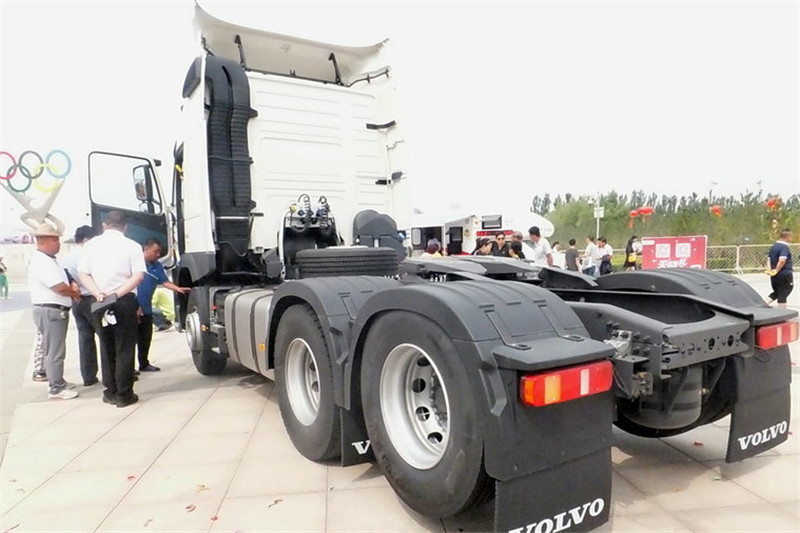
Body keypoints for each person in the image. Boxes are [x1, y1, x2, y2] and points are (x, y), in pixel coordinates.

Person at [78, 211, 145, 408]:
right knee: (125, 347)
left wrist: (98, 293)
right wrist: (117, 293)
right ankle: (125, 394)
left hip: (98, 301)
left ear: (104, 225)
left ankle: (110, 391)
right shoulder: (132, 246)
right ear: (125, 227)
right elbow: (138, 276)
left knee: (106, 346)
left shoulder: (90, 246)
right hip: (124, 300)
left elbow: (83, 273)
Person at [28, 222, 80, 400]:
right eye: (54, 240)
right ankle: (56, 388)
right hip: (50, 310)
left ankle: (58, 380)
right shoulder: (41, 261)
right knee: (54, 351)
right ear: (42, 241)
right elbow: (59, 287)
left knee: (56, 348)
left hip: (55, 310)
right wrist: (74, 293)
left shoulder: (50, 259)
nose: (58, 243)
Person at [136, 239, 191, 371]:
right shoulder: (136, 264)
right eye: (155, 251)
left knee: (145, 338)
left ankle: (144, 364)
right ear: (146, 249)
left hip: (146, 309)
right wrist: (135, 306)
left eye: (159, 252)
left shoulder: (157, 266)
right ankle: (128, 368)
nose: (158, 255)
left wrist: (177, 289)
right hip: (133, 307)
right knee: (129, 340)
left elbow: (164, 281)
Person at [62, 225, 100, 386]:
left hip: (77, 301)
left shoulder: (66, 258)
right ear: (86, 240)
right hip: (92, 299)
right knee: (105, 336)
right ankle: (113, 373)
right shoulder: (88, 255)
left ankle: (88, 376)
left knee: (85, 339)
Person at [767, 229, 794, 308]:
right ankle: (782, 311)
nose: (791, 239)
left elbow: (768, 259)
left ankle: (764, 303)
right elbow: (782, 260)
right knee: (785, 291)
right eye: (791, 237)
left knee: (777, 292)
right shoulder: (784, 247)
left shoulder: (773, 247)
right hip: (784, 274)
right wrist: (776, 270)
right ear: (787, 237)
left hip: (774, 275)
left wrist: (770, 270)